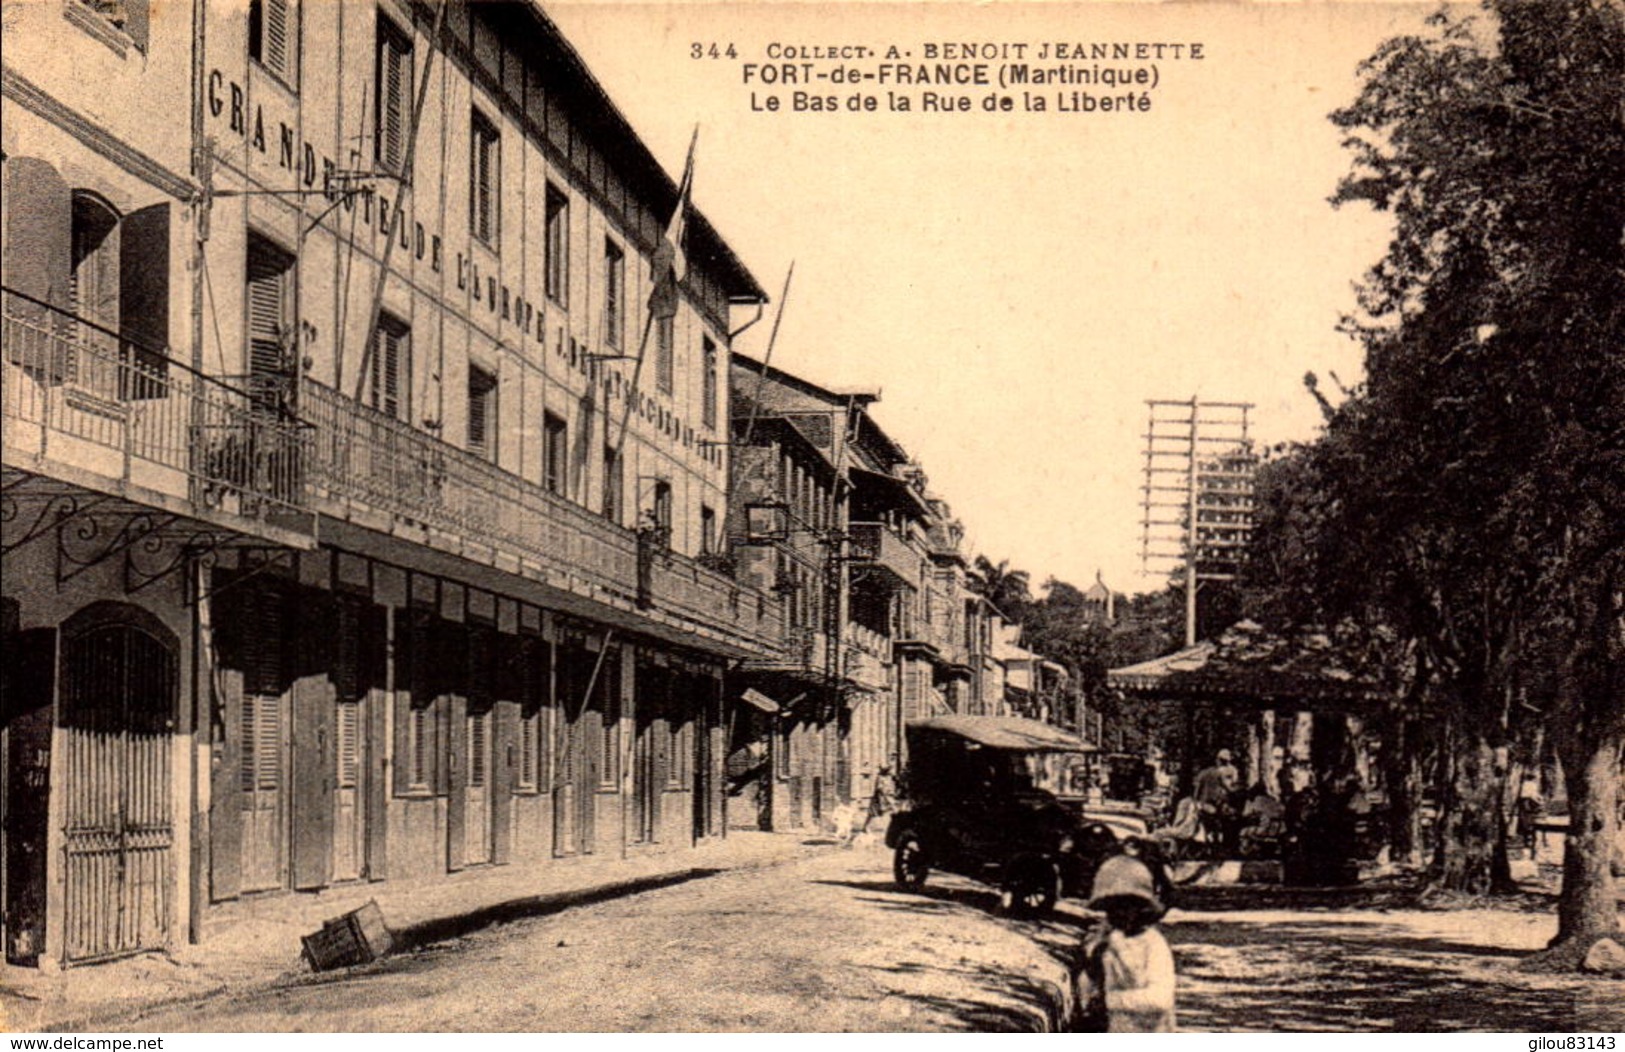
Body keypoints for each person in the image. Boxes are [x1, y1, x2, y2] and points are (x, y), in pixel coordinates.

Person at [1073, 854, 1177, 1033]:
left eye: (1126, 906)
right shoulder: (1105, 942)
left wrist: (1111, 1001)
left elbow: (1160, 998)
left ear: (1139, 908)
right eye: (1112, 908)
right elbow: (1087, 989)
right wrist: (1091, 969)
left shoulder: (1152, 944)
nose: (1119, 913)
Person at [1192, 749, 1239, 853]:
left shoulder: (1202, 773)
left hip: (1204, 804)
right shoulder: (1219, 773)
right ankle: (1219, 846)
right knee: (1221, 822)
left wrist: (1196, 803)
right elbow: (1228, 788)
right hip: (1216, 803)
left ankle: (1210, 846)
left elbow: (1196, 790)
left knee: (1208, 824)